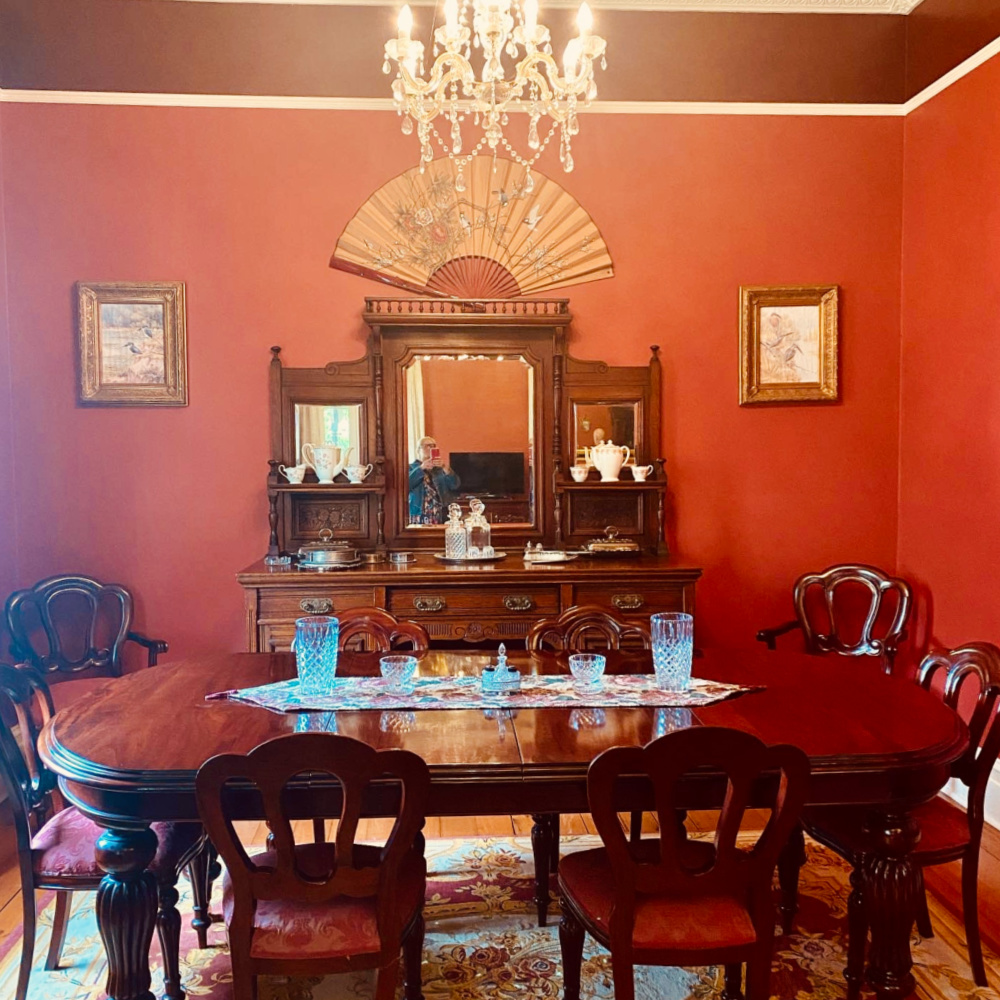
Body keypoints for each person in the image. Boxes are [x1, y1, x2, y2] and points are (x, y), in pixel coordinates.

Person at [408, 436, 461, 525]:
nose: (430, 448)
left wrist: (446, 468)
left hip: (440, 514)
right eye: (427, 446)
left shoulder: (440, 469)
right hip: (419, 514)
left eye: (433, 446)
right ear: (418, 450)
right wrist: (421, 468)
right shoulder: (410, 468)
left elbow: (455, 485)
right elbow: (406, 485)